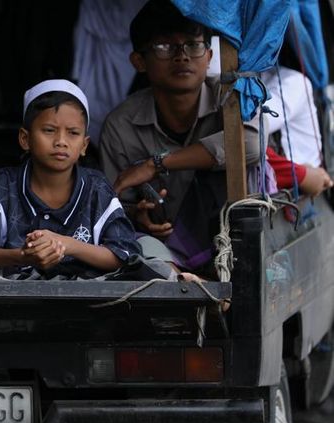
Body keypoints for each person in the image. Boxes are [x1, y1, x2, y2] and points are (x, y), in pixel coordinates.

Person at [99, 0, 266, 276]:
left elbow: (251, 144)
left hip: (234, 246)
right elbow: (113, 204)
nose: (182, 56)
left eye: (193, 45)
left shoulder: (231, 100)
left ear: (210, 56)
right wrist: (138, 216)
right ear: (138, 61)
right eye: (165, 47)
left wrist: (156, 164)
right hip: (163, 253)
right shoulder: (121, 126)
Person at [0, 79, 141, 279]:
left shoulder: (97, 187)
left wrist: (67, 245)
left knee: (154, 264)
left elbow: (124, 253)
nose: (61, 141)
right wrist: (21, 256)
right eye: (49, 131)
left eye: (73, 133)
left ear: (84, 145)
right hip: (13, 287)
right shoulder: (5, 184)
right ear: (25, 138)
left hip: (86, 290)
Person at [261, 65, 333, 196]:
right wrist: (301, 175)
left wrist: (302, 175)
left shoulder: (294, 83)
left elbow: (252, 131)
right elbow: (248, 134)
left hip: (300, 191)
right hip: (296, 183)